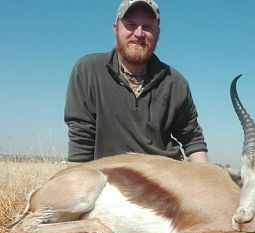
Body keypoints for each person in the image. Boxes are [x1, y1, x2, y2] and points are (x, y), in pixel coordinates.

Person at [64, 0, 208, 164]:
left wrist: (205, 178)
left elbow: (192, 138)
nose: (139, 33)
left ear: (158, 34)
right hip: (112, 180)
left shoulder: (175, 82)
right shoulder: (88, 70)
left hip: (165, 178)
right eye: (131, 25)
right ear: (115, 29)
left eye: (147, 27)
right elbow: (80, 140)